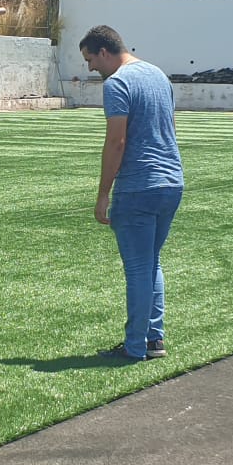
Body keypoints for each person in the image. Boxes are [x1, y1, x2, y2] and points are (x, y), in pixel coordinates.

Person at [82, 25, 183, 363]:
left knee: (139, 269)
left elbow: (117, 141)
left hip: (140, 186)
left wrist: (102, 194)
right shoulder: (158, 75)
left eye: (91, 60)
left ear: (105, 52)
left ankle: (136, 346)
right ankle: (154, 339)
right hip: (171, 182)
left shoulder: (118, 83)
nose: (90, 68)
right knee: (151, 264)